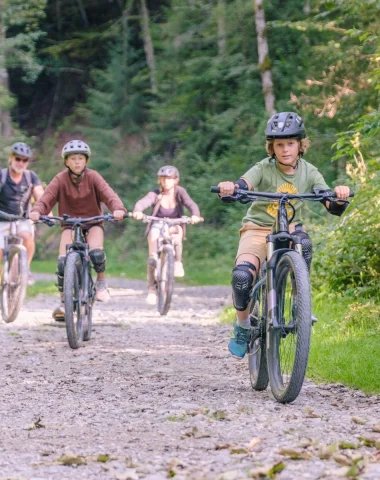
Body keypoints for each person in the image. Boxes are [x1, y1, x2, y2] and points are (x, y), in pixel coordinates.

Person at [217, 112, 351, 359]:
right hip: (257, 228)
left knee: (304, 244)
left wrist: (339, 197)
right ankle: (243, 326)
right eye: (279, 144)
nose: (285, 149)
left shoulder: (310, 172)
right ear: (272, 147)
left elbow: (329, 203)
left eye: (290, 143)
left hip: (289, 227)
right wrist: (232, 188)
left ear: (300, 145)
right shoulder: (263, 168)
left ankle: (300, 302)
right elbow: (244, 184)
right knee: (242, 277)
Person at [29, 140, 127, 321]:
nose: (77, 162)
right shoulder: (60, 179)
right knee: (62, 262)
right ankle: (63, 302)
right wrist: (36, 211)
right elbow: (46, 198)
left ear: (86, 161)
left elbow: (109, 194)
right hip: (69, 223)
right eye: (73, 158)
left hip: (93, 222)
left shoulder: (94, 177)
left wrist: (118, 208)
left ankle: (100, 283)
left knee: (96, 253)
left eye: (80, 158)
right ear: (66, 161)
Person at [132, 165, 202, 305]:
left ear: (176, 180)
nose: (166, 182)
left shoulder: (180, 192)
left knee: (178, 232)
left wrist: (195, 215)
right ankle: (152, 289)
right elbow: (144, 202)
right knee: (152, 256)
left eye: (169, 179)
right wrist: (138, 211)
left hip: (175, 223)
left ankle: (177, 262)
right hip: (157, 223)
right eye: (163, 179)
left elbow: (190, 204)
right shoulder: (156, 193)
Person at [0, 142, 45, 286]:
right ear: (11, 158)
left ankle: (26, 269)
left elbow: (40, 195)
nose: (21, 163)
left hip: (22, 219)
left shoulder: (31, 177)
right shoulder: (2, 175)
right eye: (18, 159)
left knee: (27, 236)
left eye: (24, 160)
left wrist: (45, 210)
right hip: (2, 220)